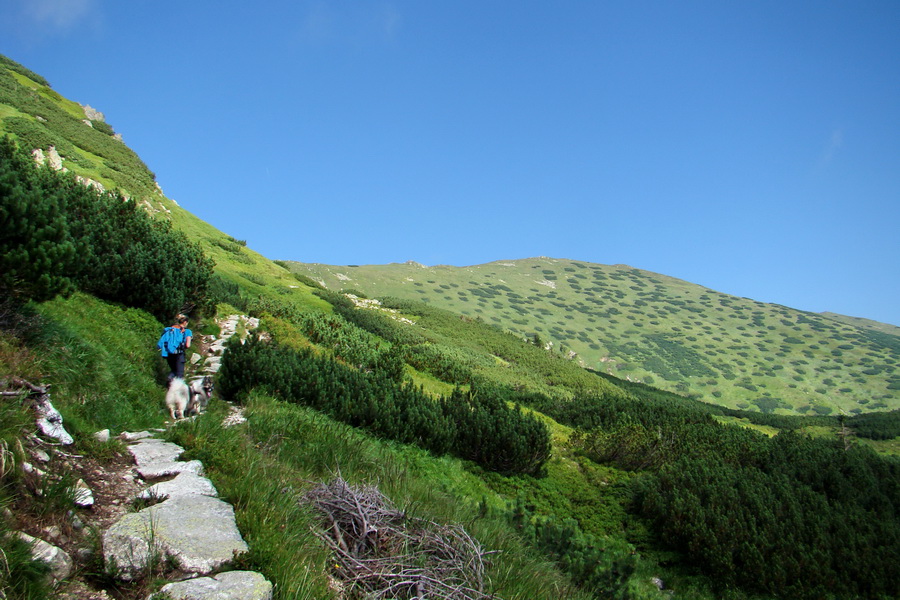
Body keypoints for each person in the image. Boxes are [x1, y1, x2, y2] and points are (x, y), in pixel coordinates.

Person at [159, 314, 192, 380]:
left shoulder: (171, 329)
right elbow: (188, 345)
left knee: (173, 370)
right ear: (185, 322)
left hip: (169, 353)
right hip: (179, 354)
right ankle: (176, 388)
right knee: (179, 374)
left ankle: (169, 382)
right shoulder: (187, 331)